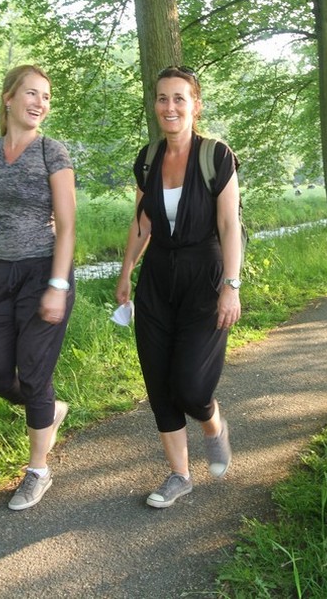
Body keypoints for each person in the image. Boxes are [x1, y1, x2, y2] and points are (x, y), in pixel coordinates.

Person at [115, 66, 243, 509]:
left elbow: (229, 224)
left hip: (204, 278)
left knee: (190, 386)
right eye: (162, 98)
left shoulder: (216, 155)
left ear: (195, 105)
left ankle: (213, 424)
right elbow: (142, 222)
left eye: (179, 98)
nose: (169, 107)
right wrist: (126, 270)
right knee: (158, 380)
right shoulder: (148, 158)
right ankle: (179, 475)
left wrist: (231, 286)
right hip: (157, 280)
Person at [0, 64, 76, 511]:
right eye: (31, 93)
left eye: (46, 96)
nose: (39, 103)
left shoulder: (51, 152)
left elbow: (67, 226)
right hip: (1, 273)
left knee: (34, 371)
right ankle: (50, 409)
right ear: (8, 98)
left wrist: (57, 285)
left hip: (45, 270)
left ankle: (38, 470)